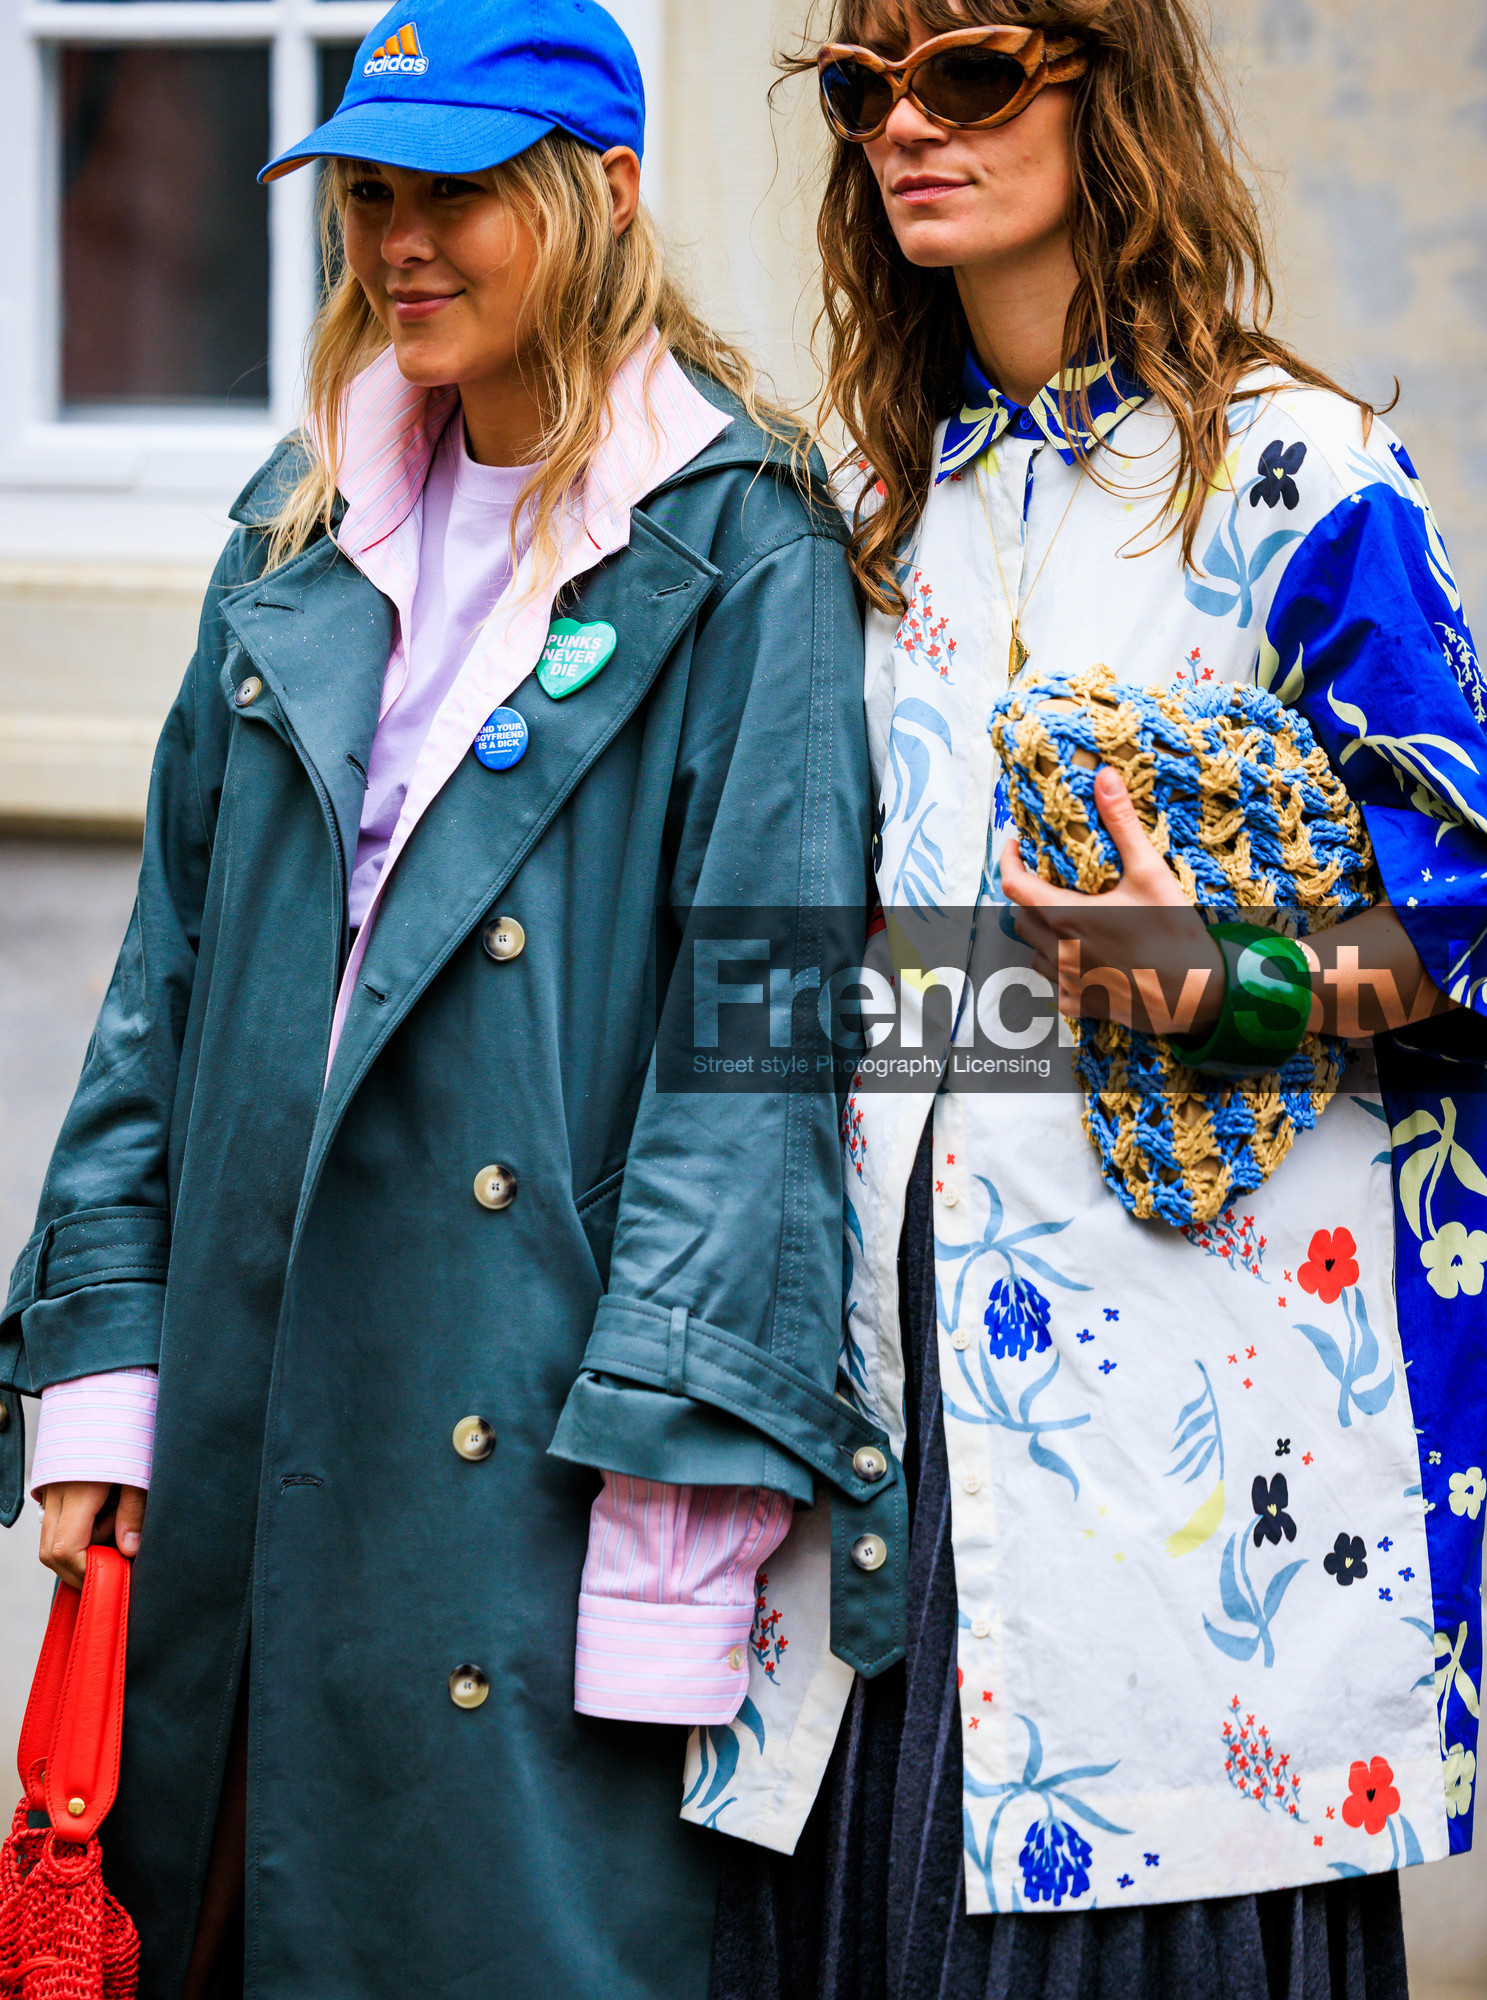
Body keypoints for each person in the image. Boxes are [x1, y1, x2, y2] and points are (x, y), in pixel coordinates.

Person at [703, 4, 1487, 1997]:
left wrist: (1232, 980)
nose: (904, 125)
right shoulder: (857, 501)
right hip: (894, 1443)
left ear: (1106, 85)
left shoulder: (1300, 475)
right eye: (860, 88)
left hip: (1208, 1488)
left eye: (965, 69)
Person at [0, 2, 883, 1995]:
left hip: (529, 1456)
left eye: (458, 194)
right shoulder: (294, 521)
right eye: (370, 194)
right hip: (243, 1415)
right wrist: (104, 1380)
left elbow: (753, 1071)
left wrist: (671, 1549)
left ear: (604, 196)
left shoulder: (740, 548)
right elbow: (165, 984)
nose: (400, 241)